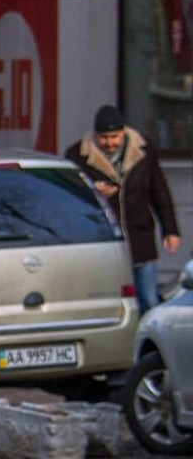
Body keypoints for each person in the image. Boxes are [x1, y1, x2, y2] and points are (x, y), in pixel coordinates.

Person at [65, 104, 181, 315]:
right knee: (112, 303)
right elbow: (68, 199)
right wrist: (94, 191)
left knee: (148, 298)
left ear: (124, 133)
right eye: (104, 138)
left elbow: (159, 191)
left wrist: (170, 230)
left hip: (140, 237)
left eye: (115, 137)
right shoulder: (77, 155)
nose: (110, 143)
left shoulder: (143, 151)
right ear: (96, 136)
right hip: (103, 243)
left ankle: (148, 345)